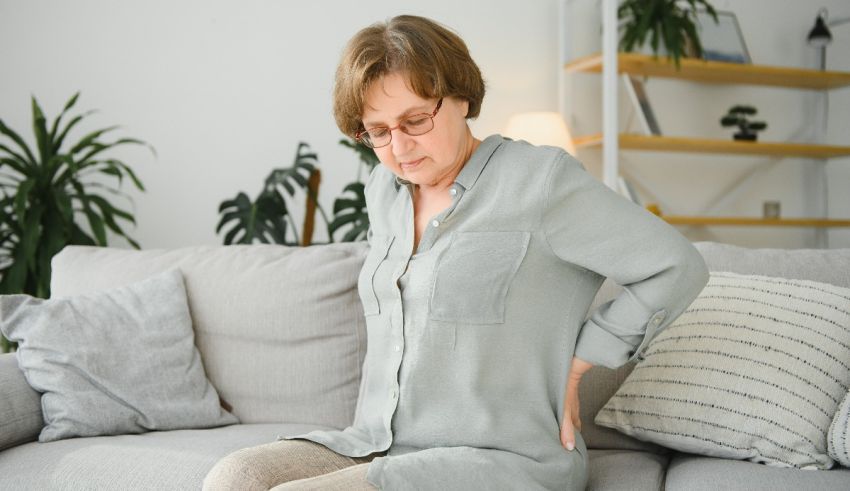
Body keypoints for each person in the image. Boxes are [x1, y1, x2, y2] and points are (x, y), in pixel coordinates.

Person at [204, 14, 709, 491]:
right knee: (235, 477)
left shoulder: (540, 182)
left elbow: (675, 265)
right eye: (377, 132)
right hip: (383, 445)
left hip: (503, 455)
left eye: (416, 120)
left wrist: (583, 359)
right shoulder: (384, 190)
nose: (399, 148)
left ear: (462, 98)